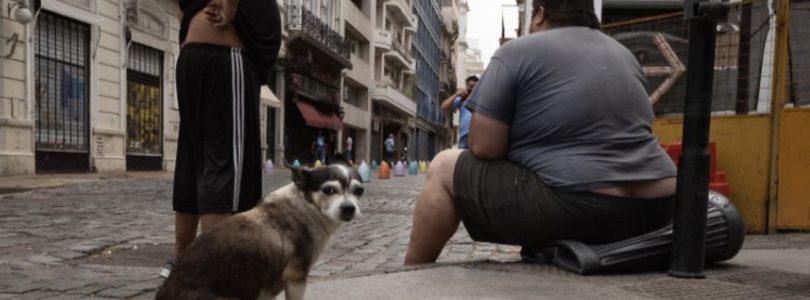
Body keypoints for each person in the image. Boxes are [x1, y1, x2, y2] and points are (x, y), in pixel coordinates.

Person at [404, 0, 677, 265]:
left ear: (540, 14)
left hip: (575, 207)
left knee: (443, 166)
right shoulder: (625, 55)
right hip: (657, 208)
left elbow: (485, 146)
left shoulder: (517, 50)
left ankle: (410, 274)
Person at [164, 0, 281, 278]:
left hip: (192, 58)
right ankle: (218, 273)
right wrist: (230, 5)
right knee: (224, 167)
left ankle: (182, 262)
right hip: (225, 54)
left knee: (193, 161)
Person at [441, 76, 479, 149]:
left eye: (475, 87)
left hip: (478, 137)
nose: (473, 90)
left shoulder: (482, 100)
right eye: (471, 87)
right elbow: (444, 107)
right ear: (466, 86)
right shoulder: (462, 99)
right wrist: (457, 94)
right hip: (464, 138)